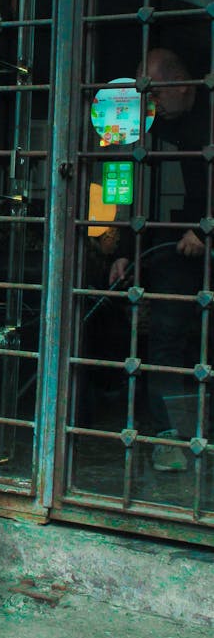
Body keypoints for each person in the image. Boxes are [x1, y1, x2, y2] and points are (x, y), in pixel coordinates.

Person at [108, 48, 209, 471]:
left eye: (157, 92)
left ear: (184, 85)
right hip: (172, 248)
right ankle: (171, 436)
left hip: (198, 236)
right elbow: (136, 189)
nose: (151, 102)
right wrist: (128, 254)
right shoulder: (148, 129)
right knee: (166, 333)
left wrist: (206, 230)